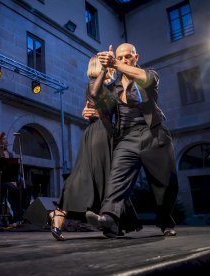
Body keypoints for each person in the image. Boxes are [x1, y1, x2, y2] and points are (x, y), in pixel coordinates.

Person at [85, 43, 179, 237]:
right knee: (117, 179)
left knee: (165, 183)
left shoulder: (149, 74)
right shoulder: (113, 88)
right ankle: (109, 219)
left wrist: (115, 64)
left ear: (136, 57)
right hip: (126, 137)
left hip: (154, 133)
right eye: (120, 57)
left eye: (128, 56)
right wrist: (105, 69)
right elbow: (95, 95)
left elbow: (145, 79)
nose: (124, 59)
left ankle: (165, 221)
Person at [49, 55, 142, 241]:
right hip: (98, 134)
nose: (110, 64)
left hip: (109, 135)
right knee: (86, 175)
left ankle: (110, 222)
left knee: (107, 178)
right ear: (99, 66)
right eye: (105, 62)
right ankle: (59, 214)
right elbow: (94, 94)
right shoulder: (94, 83)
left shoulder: (114, 85)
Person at [0, 132, 25, 227]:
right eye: (4, 139)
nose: (7, 141)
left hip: (9, 181)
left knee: (25, 187)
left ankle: (22, 214)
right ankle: (15, 218)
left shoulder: (9, 154)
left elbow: (13, 171)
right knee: (13, 189)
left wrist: (16, 179)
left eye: (6, 139)